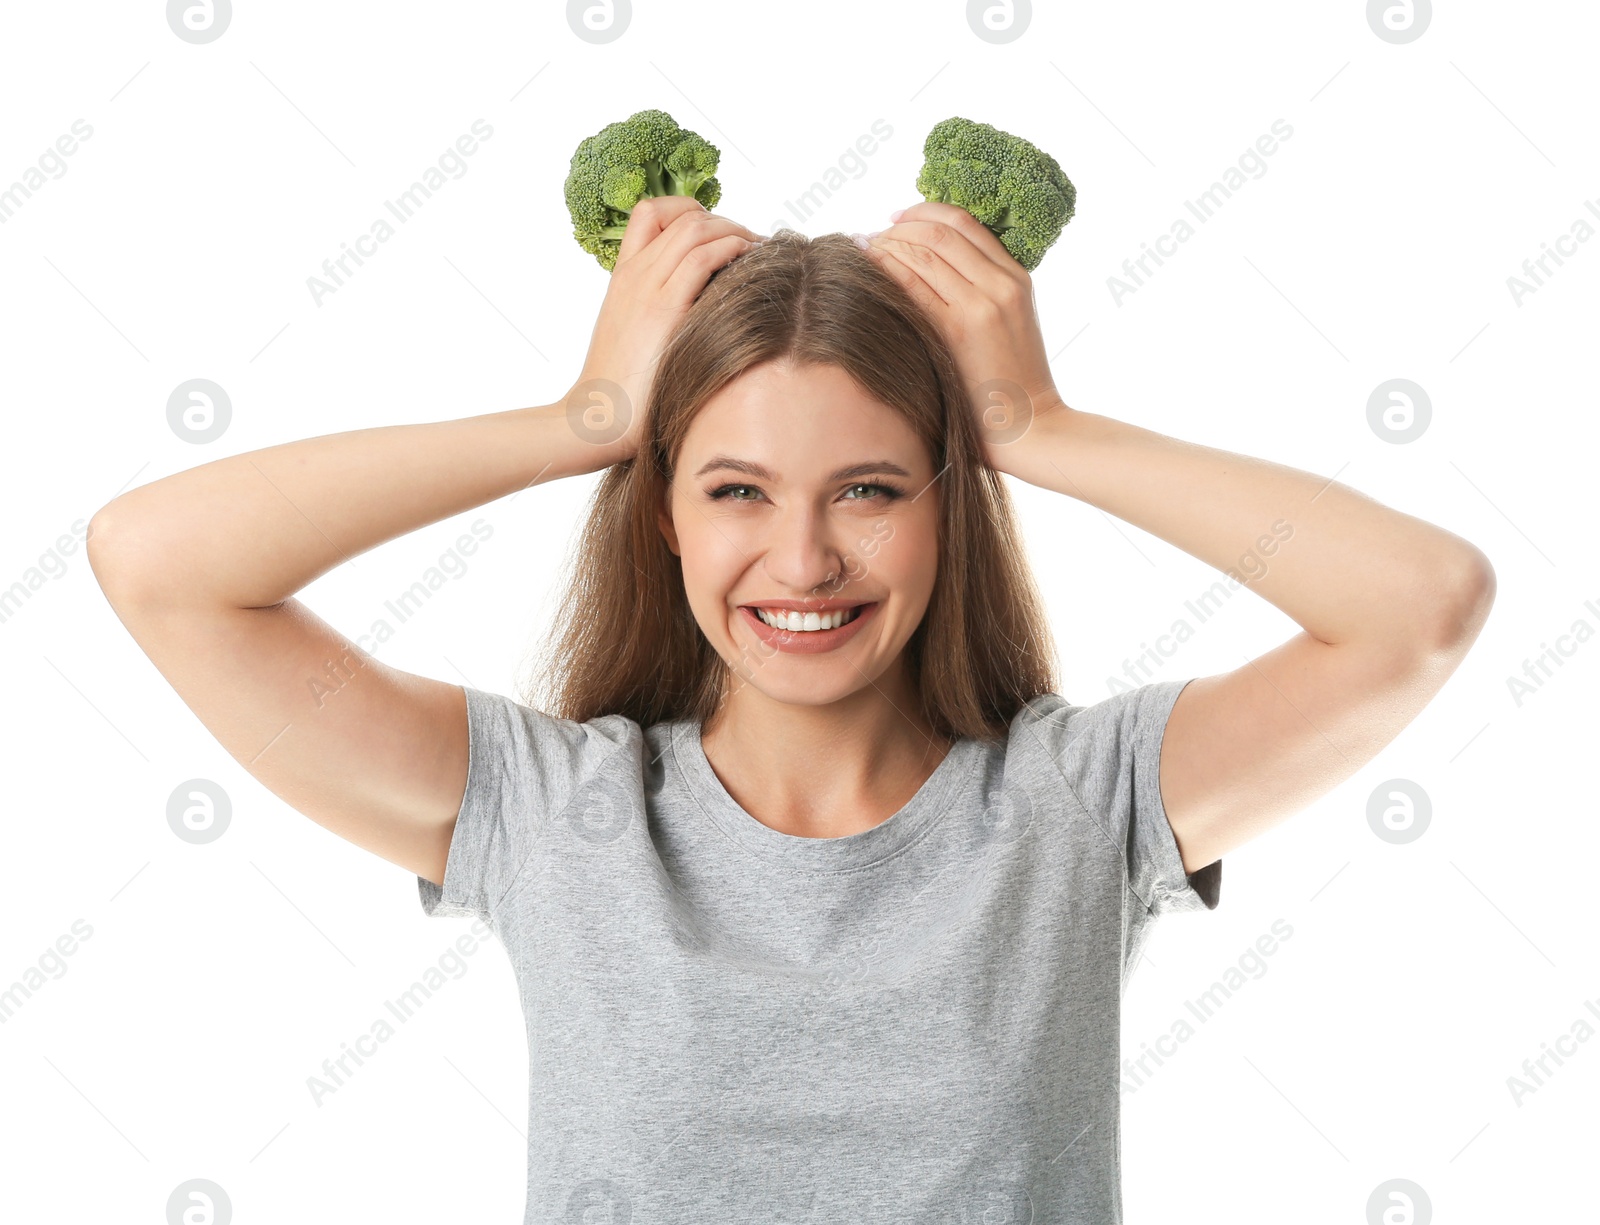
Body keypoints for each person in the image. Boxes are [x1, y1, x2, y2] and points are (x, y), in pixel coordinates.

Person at [87, 195, 1495, 1220]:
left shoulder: (1083, 801)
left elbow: (1422, 600)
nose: (806, 559)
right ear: (664, 523)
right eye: (737, 491)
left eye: (871, 490)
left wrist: (1036, 428)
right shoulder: (553, 812)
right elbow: (159, 564)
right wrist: (578, 421)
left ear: (948, 513)